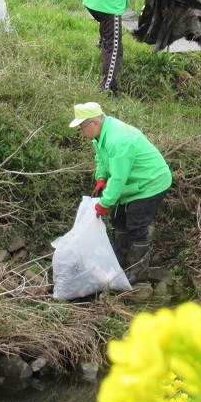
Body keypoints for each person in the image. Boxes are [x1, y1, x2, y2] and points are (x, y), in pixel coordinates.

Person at [69, 101, 172, 283]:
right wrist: (101, 177)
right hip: (132, 184)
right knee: (118, 220)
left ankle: (139, 272)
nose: (81, 132)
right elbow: (101, 157)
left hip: (150, 182)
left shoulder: (117, 139)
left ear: (94, 123)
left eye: (82, 127)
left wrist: (105, 203)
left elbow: (118, 179)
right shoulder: (101, 134)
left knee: (136, 224)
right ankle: (118, 261)